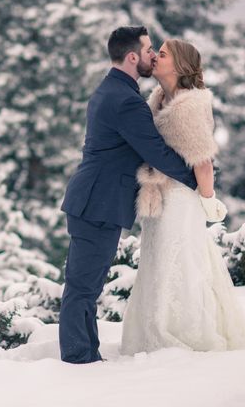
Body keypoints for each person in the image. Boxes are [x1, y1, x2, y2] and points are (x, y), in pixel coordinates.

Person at [120, 39, 245, 354]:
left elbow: (203, 162)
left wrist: (209, 202)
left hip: (180, 200)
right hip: (159, 196)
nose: (155, 56)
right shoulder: (159, 99)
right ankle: (152, 330)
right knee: (157, 261)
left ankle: (184, 331)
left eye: (164, 54)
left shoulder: (189, 106)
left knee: (179, 262)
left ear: (180, 66)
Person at [58, 26, 206, 364]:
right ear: (132, 56)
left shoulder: (114, 89)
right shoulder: (125, 100)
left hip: (94, 200)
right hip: (98, 202)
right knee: (83, 286)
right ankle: (78, 358)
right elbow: (155, 151)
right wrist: (197, 178)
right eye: (150, 48)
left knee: (85, 284)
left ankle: (85, 352)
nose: (154, 54)